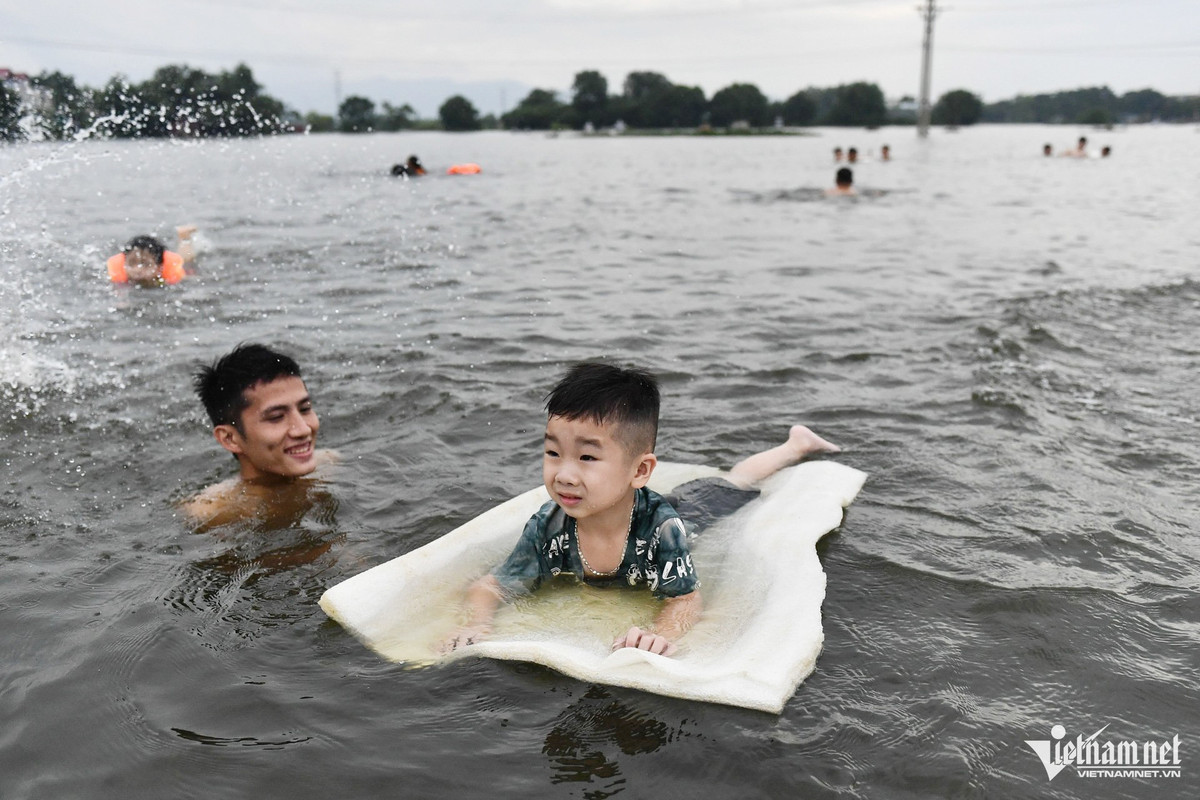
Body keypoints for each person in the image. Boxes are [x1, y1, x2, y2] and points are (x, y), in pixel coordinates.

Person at [441, 362, 840, 657]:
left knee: (735, 482)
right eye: (552, 452)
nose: (563, 474)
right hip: (629, 502)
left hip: (689, 513)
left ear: (640, 470)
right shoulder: (548, 526)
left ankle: (795, 446)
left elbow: (685, 600)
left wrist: (661, 634)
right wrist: (478, 621)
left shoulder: (662, 530)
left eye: (586, 458)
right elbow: (490, 585)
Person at [182, 343, 335, 528]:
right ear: (229, 438)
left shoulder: (330, 464)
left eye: (305, 409)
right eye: (276, 417)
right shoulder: (212, 513)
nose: (303, 429)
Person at [107, 225, 197, 286]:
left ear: (159, 267)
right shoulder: (118, 278)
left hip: (177, 268)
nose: (137, 269)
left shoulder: (169, 279)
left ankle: (185, 238)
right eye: (131, 263)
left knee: (187, 262)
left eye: (146, 264)